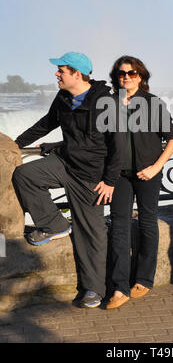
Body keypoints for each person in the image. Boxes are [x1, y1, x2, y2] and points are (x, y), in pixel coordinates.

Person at [12, 51, 125, 308]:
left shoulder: (105, 102)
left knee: (91, 234)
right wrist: (15, 143)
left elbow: (119, 145)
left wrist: (109, 181)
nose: (56, 74)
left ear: (77, 74)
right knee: (26, 174)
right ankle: (55, 224)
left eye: (61, 70)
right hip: (64, 162)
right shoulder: (63, 97)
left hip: (92, 177)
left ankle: (93, 291)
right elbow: (46, 123)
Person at [105, 55, 173, 309]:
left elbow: (172, 139)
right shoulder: (109, 104)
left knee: (148, 223)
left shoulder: (153, 104)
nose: (126, 77)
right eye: (122, 73)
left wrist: (156, 167)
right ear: (116, 77)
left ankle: (144, 279)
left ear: (141, 76)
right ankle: (119, 287)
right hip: (119, 176)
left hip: (149, 173)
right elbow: (96, 140)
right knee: (119, 226)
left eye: (132, 73)